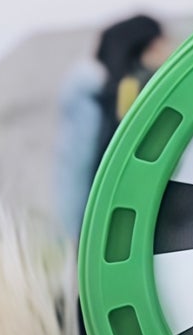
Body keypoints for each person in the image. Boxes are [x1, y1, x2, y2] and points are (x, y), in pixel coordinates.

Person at [55, 14, 172, 238]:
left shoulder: (111, 91)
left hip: (108, 221)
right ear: (150, 48)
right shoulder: (134, 89)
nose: (172, 49)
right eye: (165, 42)